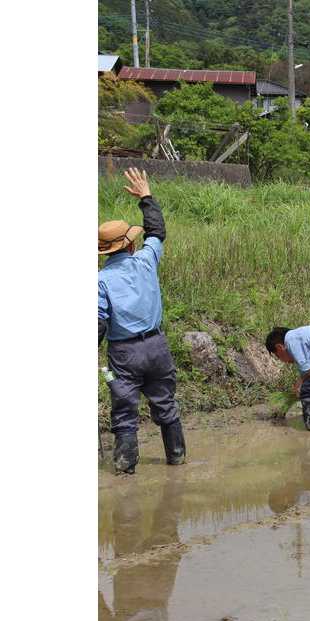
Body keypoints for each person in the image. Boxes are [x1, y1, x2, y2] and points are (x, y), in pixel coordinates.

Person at [98, 168, 185, 474]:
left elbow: (98, 323)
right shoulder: (147, 260)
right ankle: (176, 460)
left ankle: (125, 471)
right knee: (165, 405)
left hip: (124, 355)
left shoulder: (100, 281)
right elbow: (157, 231)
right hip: (157, 347)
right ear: (131, 243)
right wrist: (146, 196)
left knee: (124, 412)